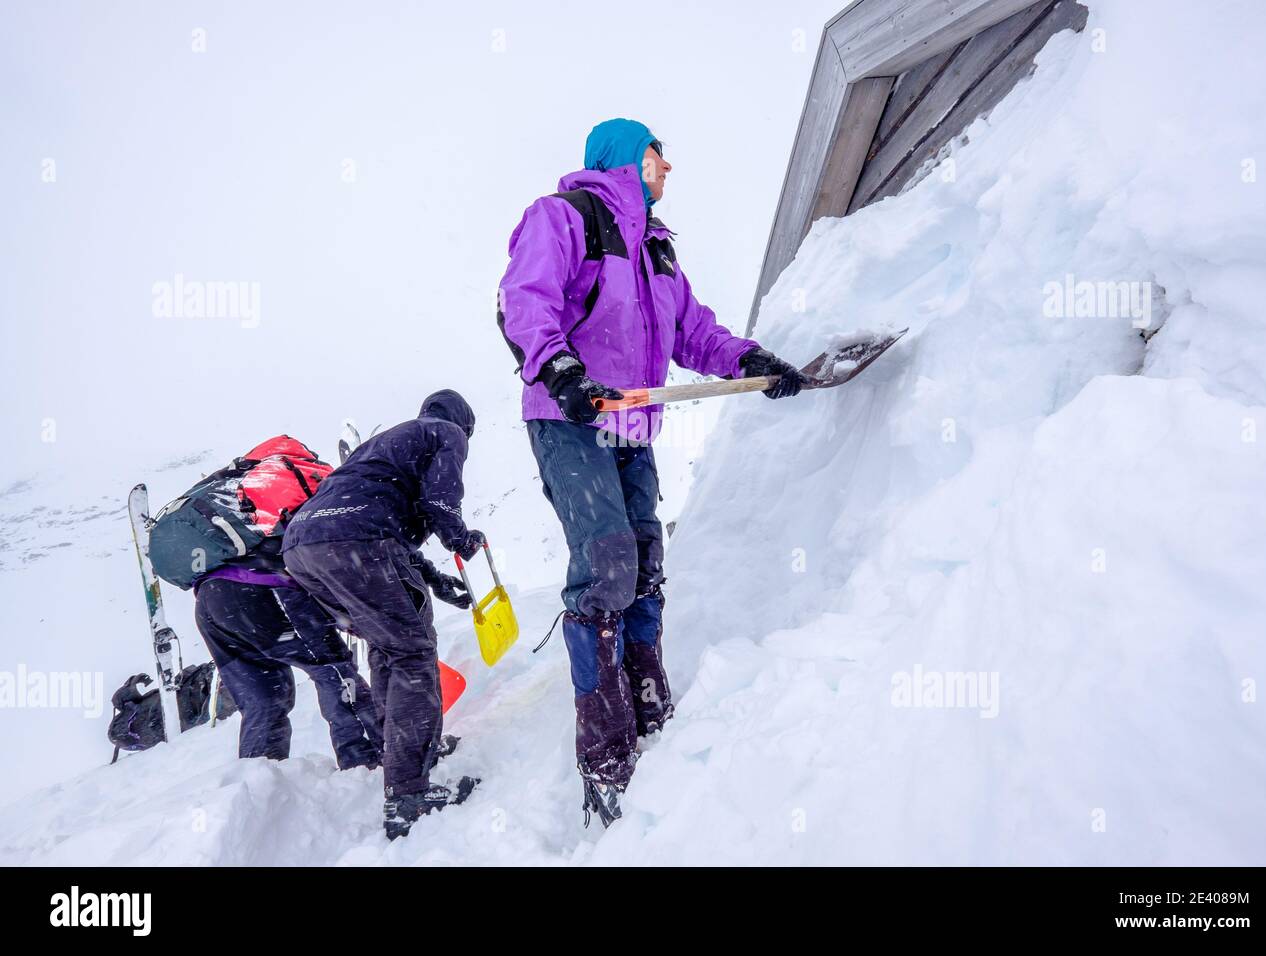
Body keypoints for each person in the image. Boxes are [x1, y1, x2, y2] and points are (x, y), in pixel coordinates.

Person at [496, 117, 806, 825]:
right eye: (660, 156)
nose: (669, 169)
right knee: (606, 562)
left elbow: (693, 331)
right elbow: (527, 298)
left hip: (633, 422)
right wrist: (560, 368)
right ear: (630, 156)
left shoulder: (658, 252)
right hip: (571, 417)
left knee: (643, 559)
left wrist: (749, 360)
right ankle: (604, 748)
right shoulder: (562, 218)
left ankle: (646, 695)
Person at [282, 391, 483, 840]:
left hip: (301, 549)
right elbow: (440, 503)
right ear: (463, 423)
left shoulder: (387, 444)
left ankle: (409, 751)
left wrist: (432, 579)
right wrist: (461, 540)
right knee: (412, 653)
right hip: (355, 544)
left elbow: (388, 532)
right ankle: (408, 792)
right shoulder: (447, 433)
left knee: (389, 648)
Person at [192, 436, 383, 771]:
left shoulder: (239, 493)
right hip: (263, 591)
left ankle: (259, 792)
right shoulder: (314, 487)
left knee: (264, 700)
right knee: (334, 670)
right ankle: (375, 760)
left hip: (212, 605)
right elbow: (334, 558)